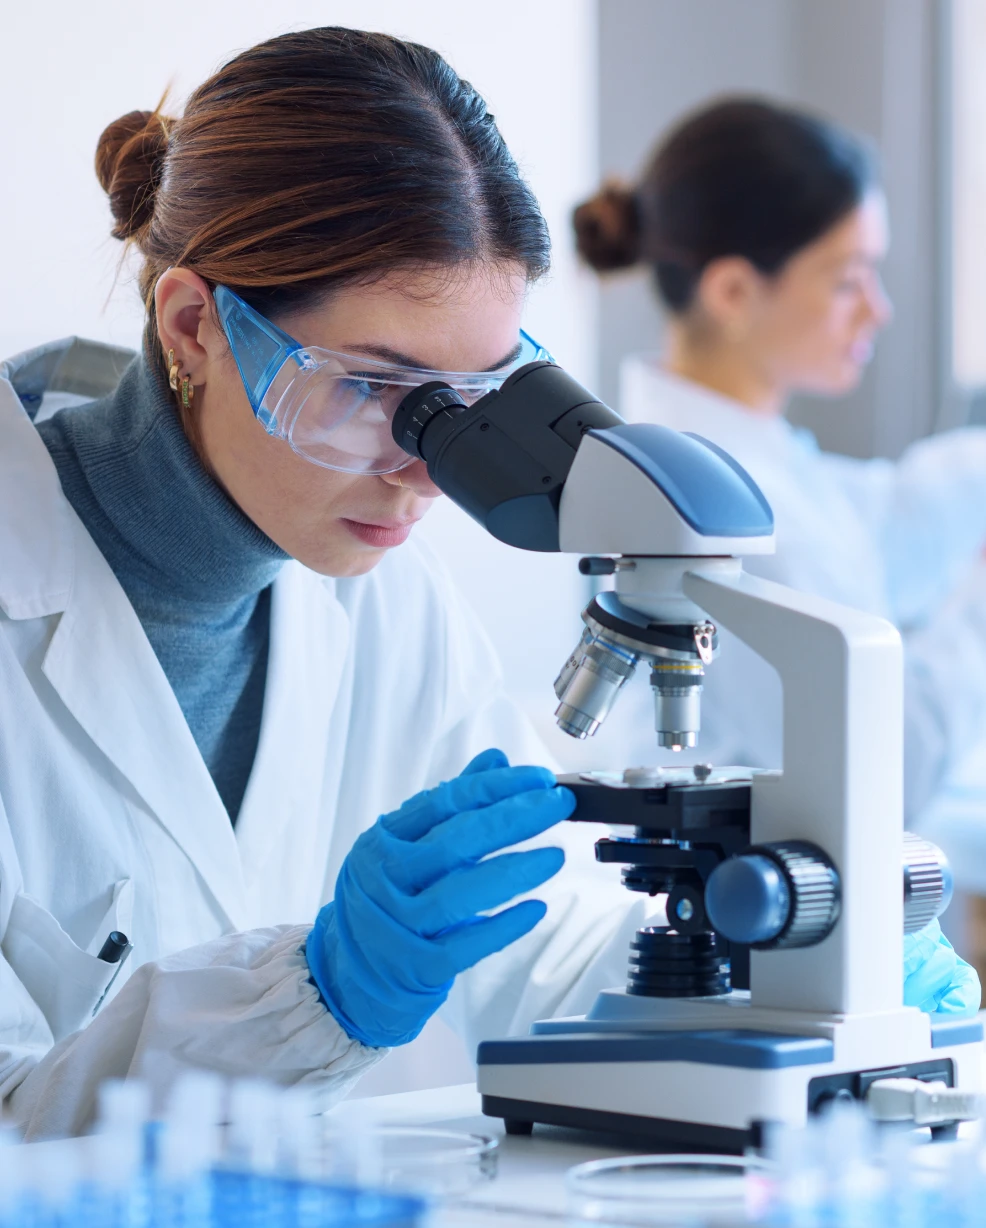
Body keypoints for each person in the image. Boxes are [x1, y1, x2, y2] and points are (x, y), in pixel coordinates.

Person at [0, 46, 972, 1142]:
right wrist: (317, 992)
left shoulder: (383, 602)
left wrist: (781, 964)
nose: (426, 468)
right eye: (375, 390)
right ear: (194, 329)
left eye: (467, 403)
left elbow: (534, 931)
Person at [574, 97, 986, 837]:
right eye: (848, 279)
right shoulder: (701, 508)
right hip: (743, 915)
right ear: (733, 291)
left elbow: (887, 520)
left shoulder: (747, 456)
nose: (879, 310)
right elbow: (884, 771)